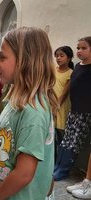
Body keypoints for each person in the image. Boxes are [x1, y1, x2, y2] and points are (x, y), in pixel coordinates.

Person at [0, 27, 58, 200]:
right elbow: (0, 153)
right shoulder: (15, 100)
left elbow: (23, 174)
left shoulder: (33, 112)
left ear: (25, 61)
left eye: (3, 57)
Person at [54, 36, 91, 184]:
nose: (79, 51)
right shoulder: (78, 66)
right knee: (65, 141)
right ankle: (57, 167)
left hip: (85, 112)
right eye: (78, 48)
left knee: (74, 142)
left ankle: (63, 171)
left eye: (84, 48)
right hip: (74, 110)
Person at [52, 46, 73, 161]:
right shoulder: (53, 70)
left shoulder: (71, 73)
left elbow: (64, 93)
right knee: (51, 135)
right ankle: (52, 160)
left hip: (61, 106)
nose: (58, 58)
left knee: (60, 136)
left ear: (69, 58)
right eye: (56, 56)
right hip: (51, 105)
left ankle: (59, 162)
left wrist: (56, 106)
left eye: (61, 56)